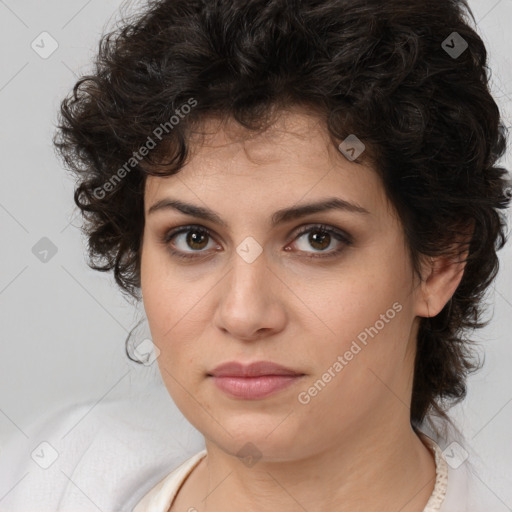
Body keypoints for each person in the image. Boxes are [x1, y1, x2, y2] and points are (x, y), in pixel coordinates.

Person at [5, 0, 511, 511]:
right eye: (193, 238)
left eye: (318, 239)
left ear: (439, 263)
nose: (244, 314)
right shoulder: (47, 479)